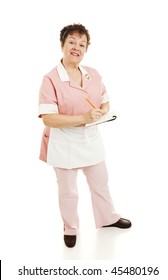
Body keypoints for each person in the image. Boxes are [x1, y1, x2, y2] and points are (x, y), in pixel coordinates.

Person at [38, 23, 131, 248]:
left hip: (91, 140)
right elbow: (49, 118)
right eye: (72, 42)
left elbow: (105, 99)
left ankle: (108, 217)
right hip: (64, 142)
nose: (76, 47)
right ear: (62, 44)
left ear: (86, 49)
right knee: (68, 192)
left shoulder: (93, 74)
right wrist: (85, 118)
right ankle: (70, 228)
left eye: (82, 44)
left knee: (101, 184)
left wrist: (103, 111)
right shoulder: (50, 79)